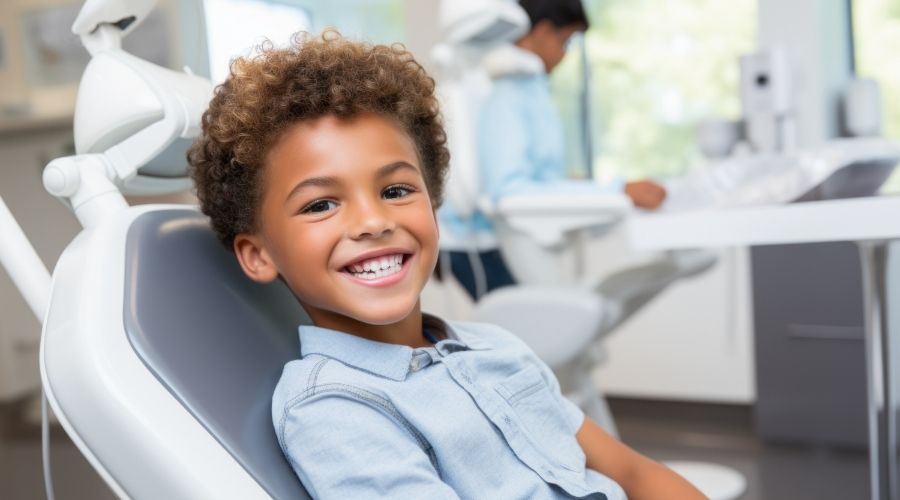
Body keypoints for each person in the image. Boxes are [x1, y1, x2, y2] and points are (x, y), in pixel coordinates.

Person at [188, 30, 703, 499]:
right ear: (259, 255)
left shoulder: (497, 349)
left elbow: (632, 473)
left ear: (433, 205)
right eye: (321, 204)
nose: (372, 221)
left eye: (395, 190)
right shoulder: (335, 410)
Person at [438, 0, 667, 299]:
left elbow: (535, 180)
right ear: (544, 31)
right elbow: (510, 191)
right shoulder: (507, 94)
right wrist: (616, 191)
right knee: (547, 332)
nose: (565, 54)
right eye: (566, 41)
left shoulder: (529, 89)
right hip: (478, 242)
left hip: (493, 235)